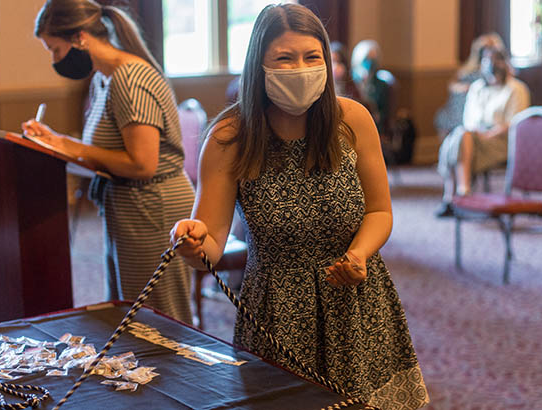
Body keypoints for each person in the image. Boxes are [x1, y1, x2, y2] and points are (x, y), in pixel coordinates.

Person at [170, 4, 428, 408]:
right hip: (276, 309)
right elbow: (212, 241)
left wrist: (359, 254)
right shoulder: (228, 136)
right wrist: (193, 244)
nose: (301, 68)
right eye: (284, 59)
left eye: (312, 57)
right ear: (260, 64)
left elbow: (380, 211)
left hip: (357, 304)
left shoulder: (352, 120)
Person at [22, 0, 195, 324]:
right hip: (128, 207)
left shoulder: (131, 79)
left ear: (80, 38)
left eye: (55, 49)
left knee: (159, 320)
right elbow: (108, 155)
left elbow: (142, 164)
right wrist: (55, 143)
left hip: (153, 210)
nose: (55, 60)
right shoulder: (105, 78)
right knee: (130, 315)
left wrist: (71, 145)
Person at [435, 47, 531, 217]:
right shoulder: (477, 87)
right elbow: (468, 119)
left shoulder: (516, 88)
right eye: (487, 60)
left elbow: (515, 123)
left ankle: (454, 196)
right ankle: (460, 192)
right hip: (474, 136)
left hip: (502, 140)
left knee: (460, 138)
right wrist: (477, 133)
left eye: (497, 60)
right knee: (461, 135)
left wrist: (487, 134)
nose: (492, 65)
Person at [434, 32, 506, 138]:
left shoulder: (494, 73)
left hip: (474, 113)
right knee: (444, 118)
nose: (487, 53)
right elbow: (452, 84)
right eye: (483, 49)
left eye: (490, 49)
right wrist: (461, 88)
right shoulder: (468, 69)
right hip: (456, 109)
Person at [350, 39, 393, 136]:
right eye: (366, 59)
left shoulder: (382, 85)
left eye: (373, 60)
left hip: (374, 127)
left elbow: (384, 113)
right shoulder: (350, 82)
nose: (369, 63)